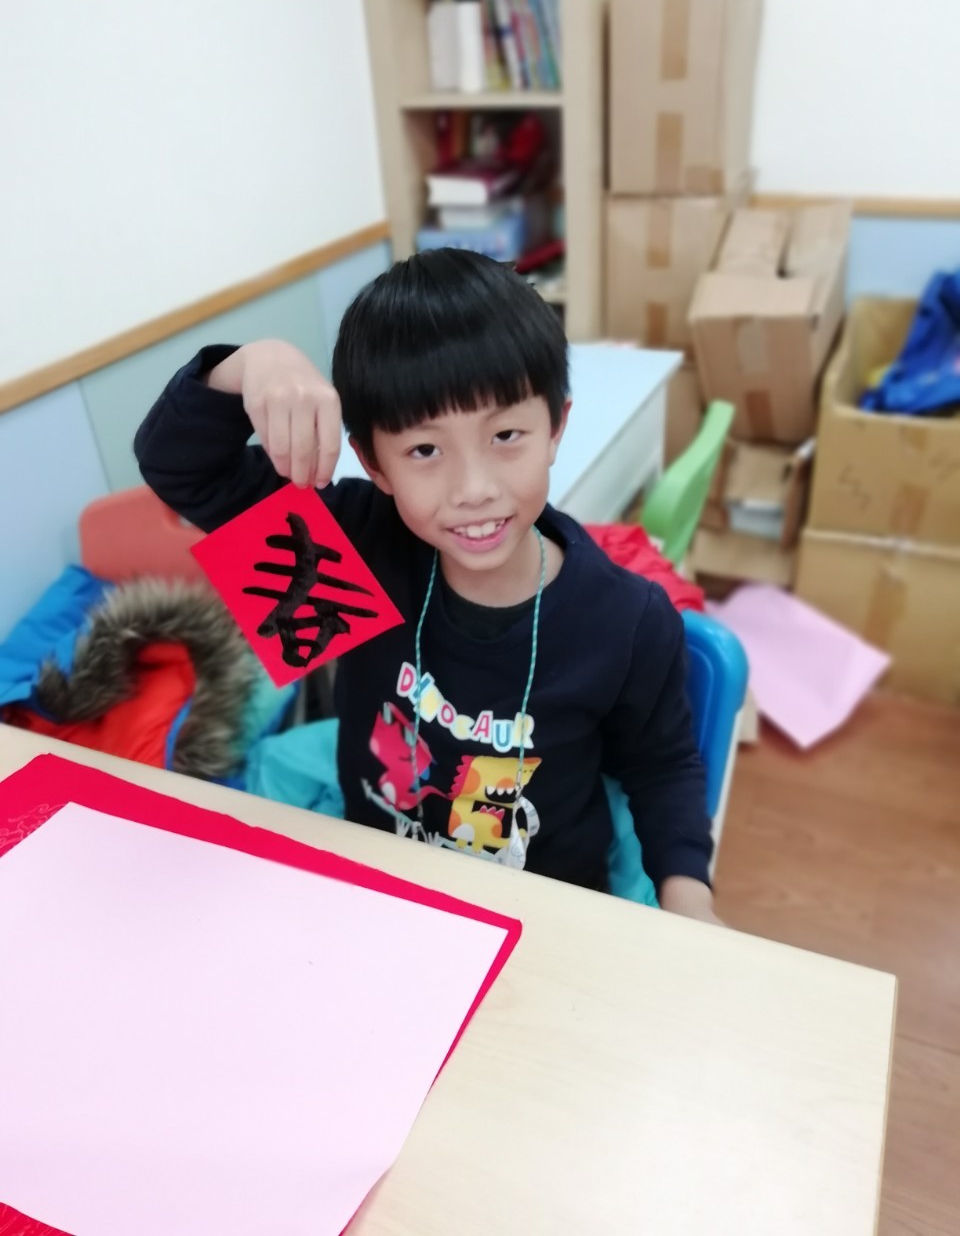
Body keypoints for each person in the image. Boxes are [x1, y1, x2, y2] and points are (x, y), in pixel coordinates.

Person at [135, 248, 719, 922]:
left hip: (543, 911)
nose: (474, 489)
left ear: (555, 426)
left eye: (506, 434)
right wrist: (250, 364)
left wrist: (690, 899)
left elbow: (662, 766)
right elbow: (181, 471)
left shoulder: (629, 620)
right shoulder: (351, 546)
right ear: (374, 463)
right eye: (424, 450)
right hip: (379, 883)